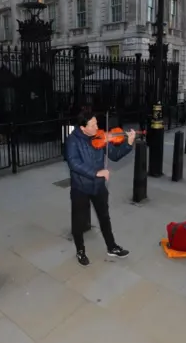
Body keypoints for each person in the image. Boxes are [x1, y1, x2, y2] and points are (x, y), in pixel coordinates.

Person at [64, 110, 136, 266]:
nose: (97, 127)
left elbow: (115, 155)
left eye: (97, 123)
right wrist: (96, 173)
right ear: (83, 128)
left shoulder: (100, 137)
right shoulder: (72, 141)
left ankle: (112, 247)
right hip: (80, 188)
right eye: (93, 124)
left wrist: (128, 143)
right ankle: (80, 250)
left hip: (99, 187)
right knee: (78, 221)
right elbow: (74, 163)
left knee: (104, 217)